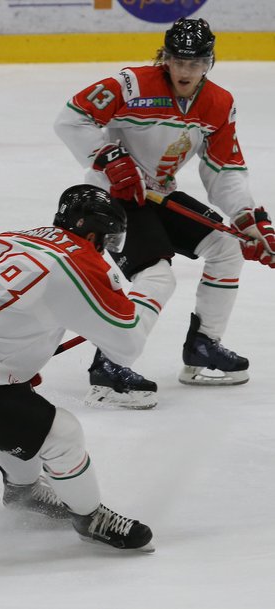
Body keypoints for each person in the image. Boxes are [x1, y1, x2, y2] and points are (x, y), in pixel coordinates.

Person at [0, 184, 174, 552]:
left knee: (19, 407)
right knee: (61, 434)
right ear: (93, 233)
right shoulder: (81, 262)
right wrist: (153, 287)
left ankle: (24, 492)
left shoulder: (8, 238)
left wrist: (8, 349)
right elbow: (126, 344)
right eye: (108, 239)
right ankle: (90, 517)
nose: (108, 249)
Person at [54, 18, 275, 409]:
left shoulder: (219, 104)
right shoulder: (130, 84)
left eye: (196, 63)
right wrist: (108, 157)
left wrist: (248, 221)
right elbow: (71, 118)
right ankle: (108, 370)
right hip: (112, 198)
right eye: (178, 61)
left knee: (226, 246)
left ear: (210, 62)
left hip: (157, 195)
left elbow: (224, 170)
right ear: (165, 59)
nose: (186, 71)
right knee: (155, 275)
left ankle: (203, 348)